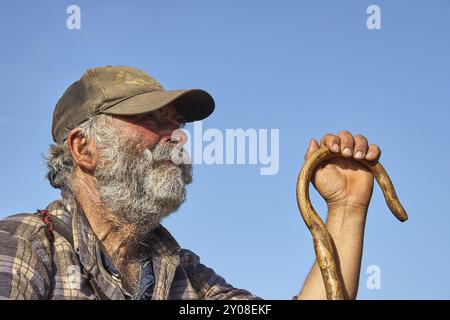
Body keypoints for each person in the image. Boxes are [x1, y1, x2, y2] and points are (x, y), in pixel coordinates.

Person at [0, 66, 381, 300]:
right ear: (84, 149)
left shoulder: (181, 274)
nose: (178, 137)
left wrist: (346, 209)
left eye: (176, 123)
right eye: (153, 121)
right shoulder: (24, 248)